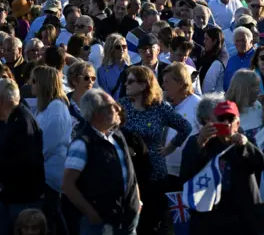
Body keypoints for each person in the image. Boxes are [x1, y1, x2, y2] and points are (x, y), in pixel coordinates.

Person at [119, 66, 191, 235]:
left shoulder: (159, 107)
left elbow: (185, 127)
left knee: (151, 224)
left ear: (144, 85)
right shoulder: (121, 106)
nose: (126, 85)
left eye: (130, 81)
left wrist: (170, 148)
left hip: (154, 173)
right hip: (129, 172)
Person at [179, 100, 264, 235]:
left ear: (238, 123)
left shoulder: (244, 141)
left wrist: (245, 146)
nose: (226, 123)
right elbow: (186, 174)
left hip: (242, 218)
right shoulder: (199, 141)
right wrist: (200, 142)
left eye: (231, 119)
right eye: (221, 119)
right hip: (211, 216)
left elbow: (261, 165)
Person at [61, 89, 141, 235]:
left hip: (127, 220)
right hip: (101, 225)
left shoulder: (116, 136)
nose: (118, 108)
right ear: (97, 113)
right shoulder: (83, 144)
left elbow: (130, 173)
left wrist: (137, 201)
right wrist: (91, 214)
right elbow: (67, 185)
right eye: (112, 105)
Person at [0, 79, 45, 235]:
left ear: (4, 100)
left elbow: (25, 163)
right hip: (9, 196)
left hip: (23, 199)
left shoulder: (23, 123)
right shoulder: (8, 120)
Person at [32, 66, 72, 235]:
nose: (30, 84)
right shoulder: (46, 107)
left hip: (52, 175)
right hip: (46, 173)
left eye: (34, 81)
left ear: (43, 84)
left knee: (53, 221)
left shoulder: (56, 108)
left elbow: (46, 144)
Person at [162, 62, 202, 191]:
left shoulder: (198, 106)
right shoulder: (166, 105)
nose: (163, 86)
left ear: (180, 83)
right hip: (166, 171)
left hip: (188, 173)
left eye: (167, 82)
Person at [226, 69, 264, 143]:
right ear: (246, 89)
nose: (259, 90)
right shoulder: (227, 112)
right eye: (256, 87)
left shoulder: (258, 106)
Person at [97, 34, 130, 99]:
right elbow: (106, 96)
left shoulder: (133, 68)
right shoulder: (102, 71)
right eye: (117, 47)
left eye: (124, 46)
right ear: (110, 49)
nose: (121, 49)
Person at [66, 61, 96, 132]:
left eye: (93, 78)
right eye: (86, 78)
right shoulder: (64, 103)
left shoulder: (97, 103)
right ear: (74, 81)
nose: (90, 81)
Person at [200, 26, 226, 93]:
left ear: (214, 41)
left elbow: (207, 88)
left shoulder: (217, 62)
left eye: (206, 39)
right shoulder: (210, 56)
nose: (204, 42)